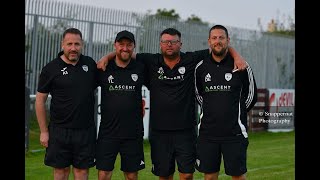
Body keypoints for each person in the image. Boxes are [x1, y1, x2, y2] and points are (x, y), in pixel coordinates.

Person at [97, 28, 247, 180]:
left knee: (187, 175)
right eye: (165, 42)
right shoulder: (150, 61)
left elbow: (218, 46)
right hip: (159, 132)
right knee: (164, 176)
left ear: (180, 44)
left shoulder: (191, 59)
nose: (169, 45)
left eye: (173, 42)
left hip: (186, 131)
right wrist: (106, 57)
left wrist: (237, 56)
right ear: (160, 44)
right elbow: (125, 52)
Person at [194, 25, 257, 180]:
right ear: (209, 41)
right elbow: (199, 95)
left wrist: (236, 112)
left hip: (234, 133)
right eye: (214, 38)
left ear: (228, 40)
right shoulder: (200, 68)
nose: (218, 41)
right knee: (209, 177)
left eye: (221, 37)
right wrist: (212, 110)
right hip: (208, 133)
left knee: (238, 177)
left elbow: (251, 96)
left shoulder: (241, 65)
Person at [35, 27, 98, 180]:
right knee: (61, 172)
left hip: (85, 131)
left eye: (77, 44)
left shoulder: (90, 65)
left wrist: (107, 57)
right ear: (62, 44)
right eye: (69, 44)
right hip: (59, 131)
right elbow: (39, 101)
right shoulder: (50, 69)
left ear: (82, 44)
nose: (73, 48)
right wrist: (44, 131)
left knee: (82, 172)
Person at [95, 30, 146, 180]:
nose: (125, 48)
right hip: (107, 133)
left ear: (134, 47)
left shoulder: (141, 67)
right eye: (121, 44)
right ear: (115, 45)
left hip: (133, 133)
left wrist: (108, 55)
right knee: (104, 175)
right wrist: (107, 57)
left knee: (131, 176)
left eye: (129, 45)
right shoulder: (103, 68)